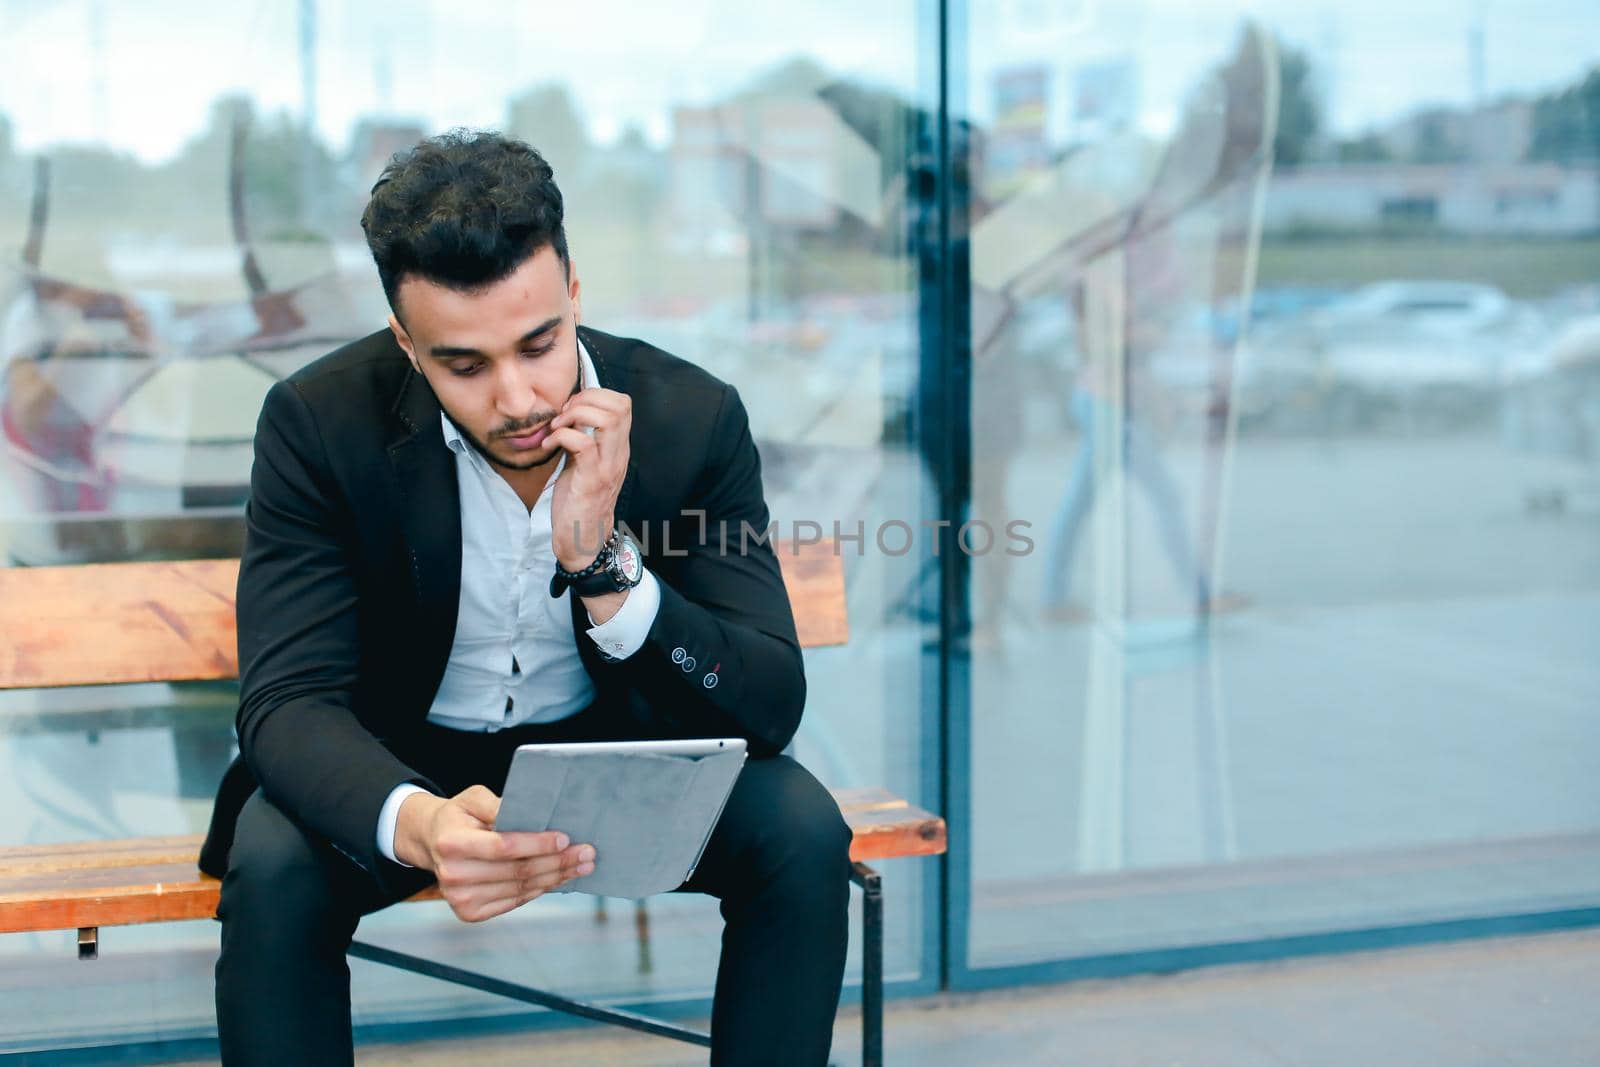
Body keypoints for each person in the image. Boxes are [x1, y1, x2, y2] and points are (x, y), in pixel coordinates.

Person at [198, 129, 853, 1067]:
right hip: (401, 760)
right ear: (405, 342)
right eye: (464, 364)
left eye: (540, 343)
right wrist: (421, 823)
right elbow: (285, 701)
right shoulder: (317, 422)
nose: (516, 398)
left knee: (798, 826)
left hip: (611, 754)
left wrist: (602, 563)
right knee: (274, 864)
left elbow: (767, 706)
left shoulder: (690, 416)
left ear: (575, 291)